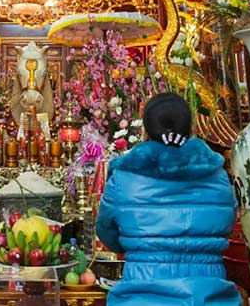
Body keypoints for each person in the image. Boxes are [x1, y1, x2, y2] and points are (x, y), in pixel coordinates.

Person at [96, 93, 239, 305]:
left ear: (145, 131)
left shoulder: (124, 178)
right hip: (207, 296)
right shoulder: (218, 176)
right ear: (192, 129)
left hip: (141, 294)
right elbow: (227, 225)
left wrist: (140, 246)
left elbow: (108, 235)